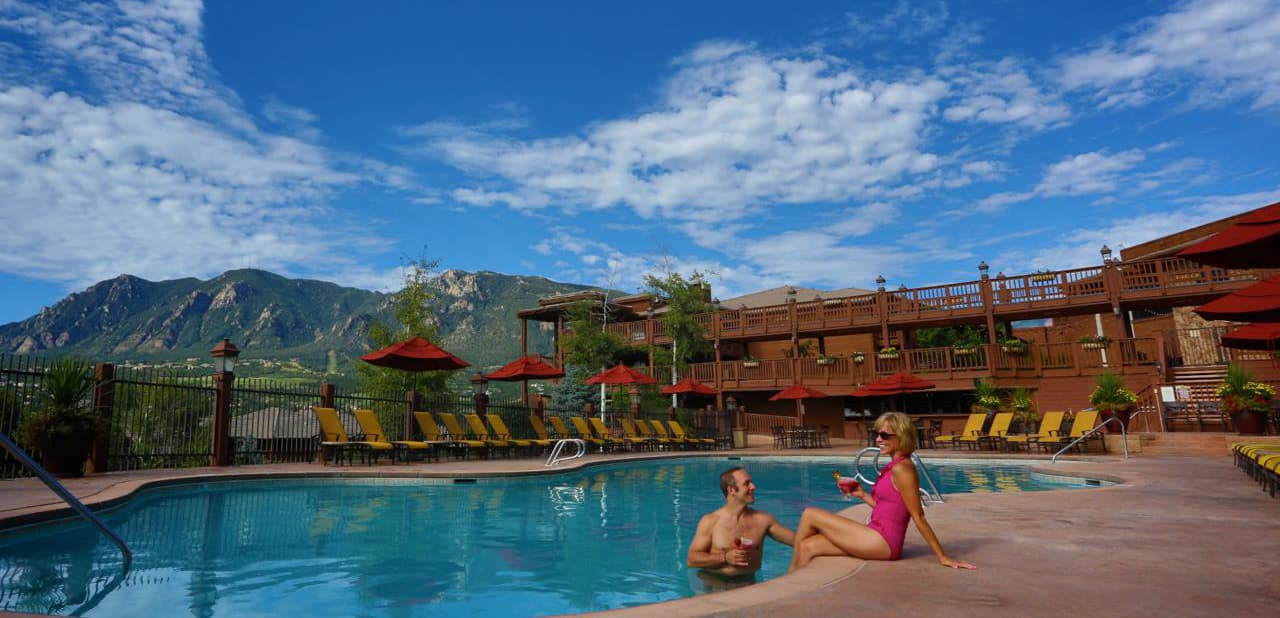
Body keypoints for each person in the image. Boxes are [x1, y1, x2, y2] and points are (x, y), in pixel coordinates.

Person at [789, 412, 976, 571]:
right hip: (875, 534)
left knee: (809, 514)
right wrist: (862, 494)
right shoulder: (894, 466)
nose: (878, 439)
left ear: (901, 437)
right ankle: (790, 589)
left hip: (884, 541)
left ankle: (787, 580)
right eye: (877, 434)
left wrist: (942, 556)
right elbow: (889, 507)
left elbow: (917, 515)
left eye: (885, 436)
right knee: (808, 546)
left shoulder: (903, 469)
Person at [687, 466, 795, 584]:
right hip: (714, 583)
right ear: (732, 490)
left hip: (748, 583)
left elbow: (796, 540)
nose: (753, 487)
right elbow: (692, 559)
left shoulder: (763, 520)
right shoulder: (711, 521)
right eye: (747, 483)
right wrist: (725, 557)